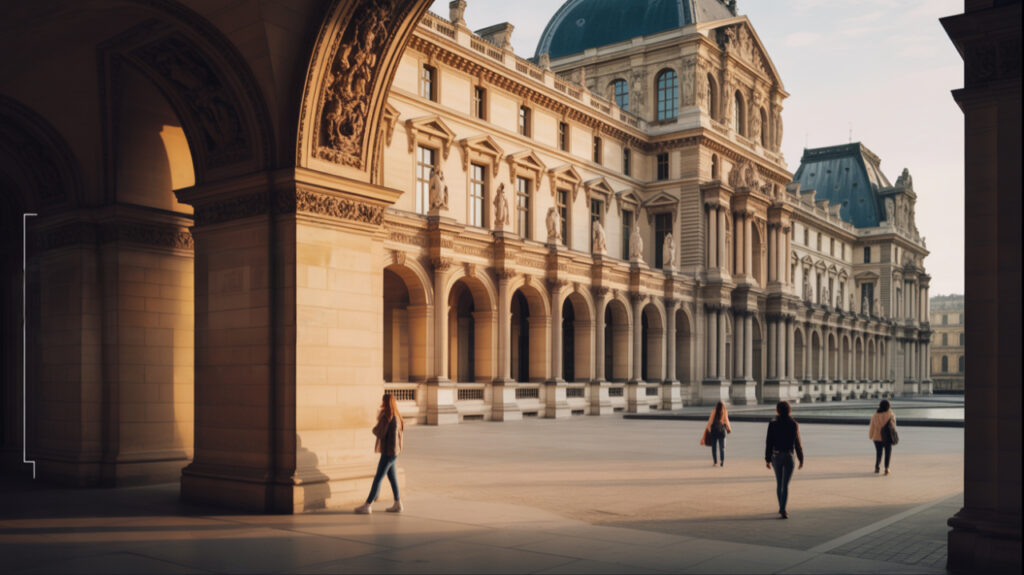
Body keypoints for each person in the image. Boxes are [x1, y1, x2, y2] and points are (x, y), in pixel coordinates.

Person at [354, 393, 405, 514]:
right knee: (392, 478)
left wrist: (378, 420)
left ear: (385, 403)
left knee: (378, 478)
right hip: (394, 452)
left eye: (383, 401)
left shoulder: (387, 416)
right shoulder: (398, 416)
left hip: (388, 453)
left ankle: (368, 504)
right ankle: (398, 503)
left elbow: (378, 432)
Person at [765, 401, 804, 519]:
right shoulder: (793, 424)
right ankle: (783, 509)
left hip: (776, 456)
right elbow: (797, 443)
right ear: (789, 410)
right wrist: (801, 458)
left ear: (777, 410)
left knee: (779, 483)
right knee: (785, 484)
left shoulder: (773, 423)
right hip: (789, 456)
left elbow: (769, 442)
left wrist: (767, 459)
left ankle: (781, 508)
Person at [868, 399, 897, 475]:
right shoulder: (891, 415)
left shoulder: (875, 416)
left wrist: (870, 436)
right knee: (888, 453)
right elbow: (893, 426)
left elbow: (872, 427)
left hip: (877, 437)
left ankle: (877, 468)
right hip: (887, 437)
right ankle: (886, 469)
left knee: (879, 453)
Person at [699, 401, 731, 466]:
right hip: (722, 432)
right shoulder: (724, 411)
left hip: (714, 432)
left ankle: (715, 461)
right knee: (722, 448)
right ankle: (722, 461)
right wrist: (728, 429)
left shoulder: (714, 411)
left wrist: (708, 430)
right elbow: (726, 421)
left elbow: (710, 421)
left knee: (714, 448)